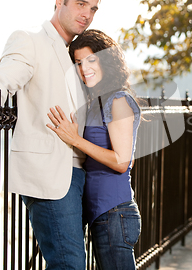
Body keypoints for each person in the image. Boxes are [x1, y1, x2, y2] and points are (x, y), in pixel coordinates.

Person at [0, 0, 104, 269]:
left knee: (70, 262)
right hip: (51, 175)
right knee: (69, 264)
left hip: (81, 175)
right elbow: (6, 73)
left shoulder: (77, 53)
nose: (87, 13)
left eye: (94, 8)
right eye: (81, 3)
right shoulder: (31, 40)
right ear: (60, 0)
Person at [46, 29, 142, 270]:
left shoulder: (118, 100)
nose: (83, 68)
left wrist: (76, 139)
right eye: (78, 62)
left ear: (106, 60)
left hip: (114, 213)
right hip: (103, 214)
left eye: (91, 60)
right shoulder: (96, 101)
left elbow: (122, 161)